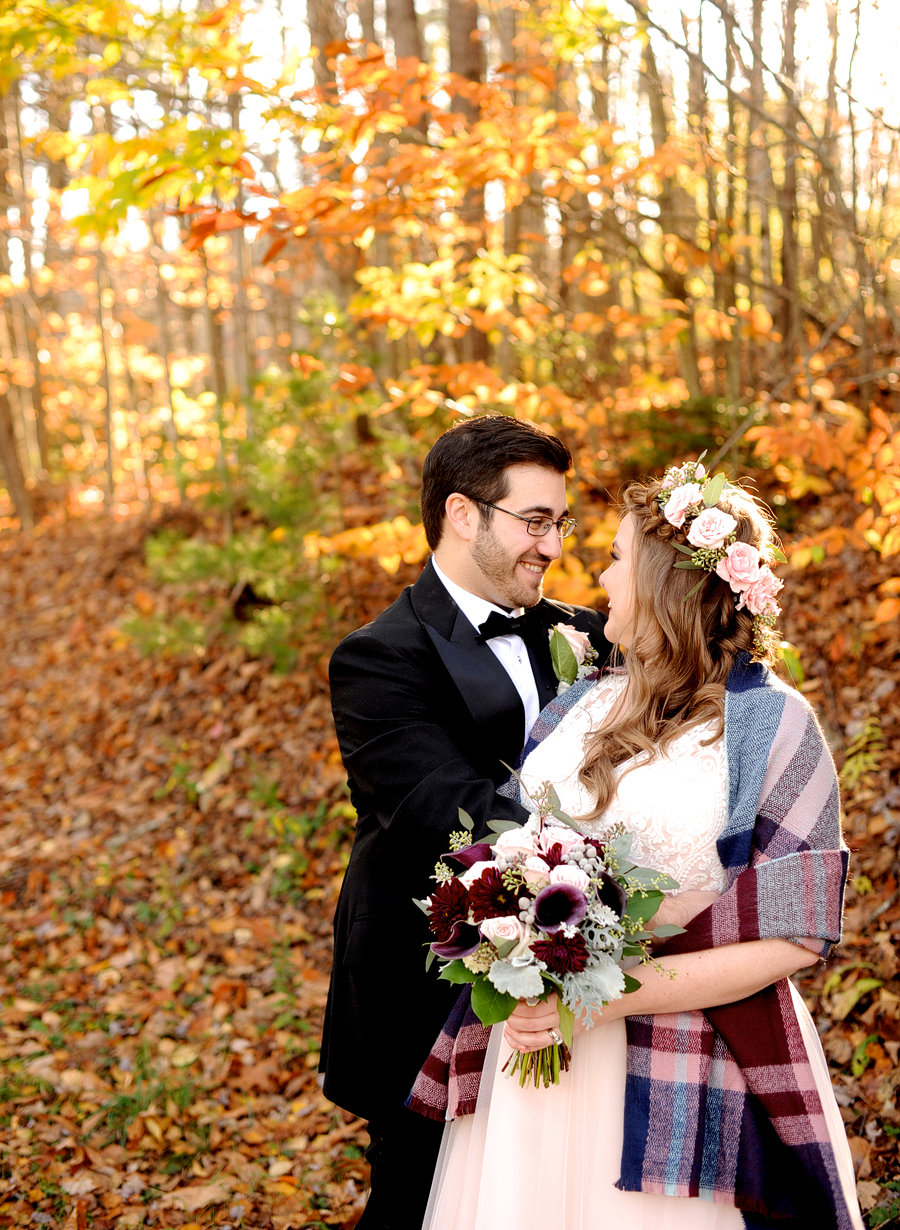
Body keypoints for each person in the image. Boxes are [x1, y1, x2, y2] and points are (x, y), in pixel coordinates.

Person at [416, 462, 864, 1230]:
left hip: (690, 1062)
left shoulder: (772, 724)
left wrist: (597, 1005)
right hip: (532, 1069)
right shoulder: (578, 705)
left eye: (617, 559)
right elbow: (516, 859)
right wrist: (514, 959)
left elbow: (796, 933)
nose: (597, 574)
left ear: (663, 583)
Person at [319, 414, 611, 1230]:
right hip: (425, 991)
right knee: (418, 1205)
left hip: (570, 974)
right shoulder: (379, 656)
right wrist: (612, 847)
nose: (553, 545)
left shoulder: (588, 633)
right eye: (536, 521)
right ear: (461, 513)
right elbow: (449, 813)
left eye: (562, 523)